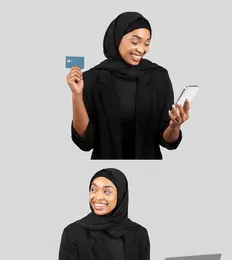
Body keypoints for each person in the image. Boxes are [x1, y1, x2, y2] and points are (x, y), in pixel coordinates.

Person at [58, 168, 187, 260]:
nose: (97, 197)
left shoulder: (138, 234)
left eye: (107, 191)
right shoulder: (74, 232)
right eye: (93, 189)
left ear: (121, 195)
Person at [66, 12, 191, 159]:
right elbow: (85, 141)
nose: (141, 49)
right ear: (118, 39)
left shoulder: (159, 76)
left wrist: (175, 126)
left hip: (148, 167)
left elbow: (166, 140)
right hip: (106, 162)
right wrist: (76, 94)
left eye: (147, 43)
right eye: (135, 41)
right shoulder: (92, 78)